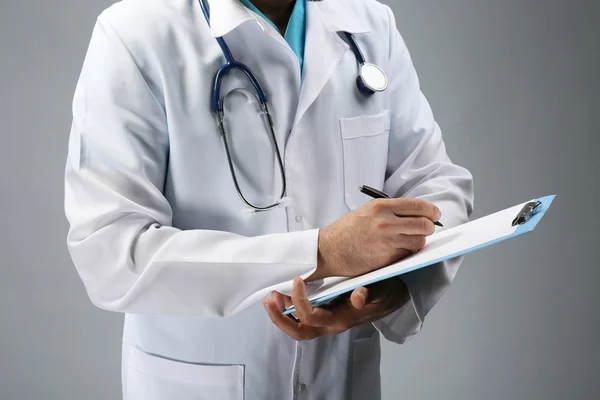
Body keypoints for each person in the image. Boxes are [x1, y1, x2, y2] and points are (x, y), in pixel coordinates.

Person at [64, 0, 474, 398]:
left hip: (342, 378)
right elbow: (111, 251)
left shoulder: (369, 24)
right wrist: (321, 253)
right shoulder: (135, 33)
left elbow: (435, 182)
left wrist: (397, 283)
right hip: (197, 383)